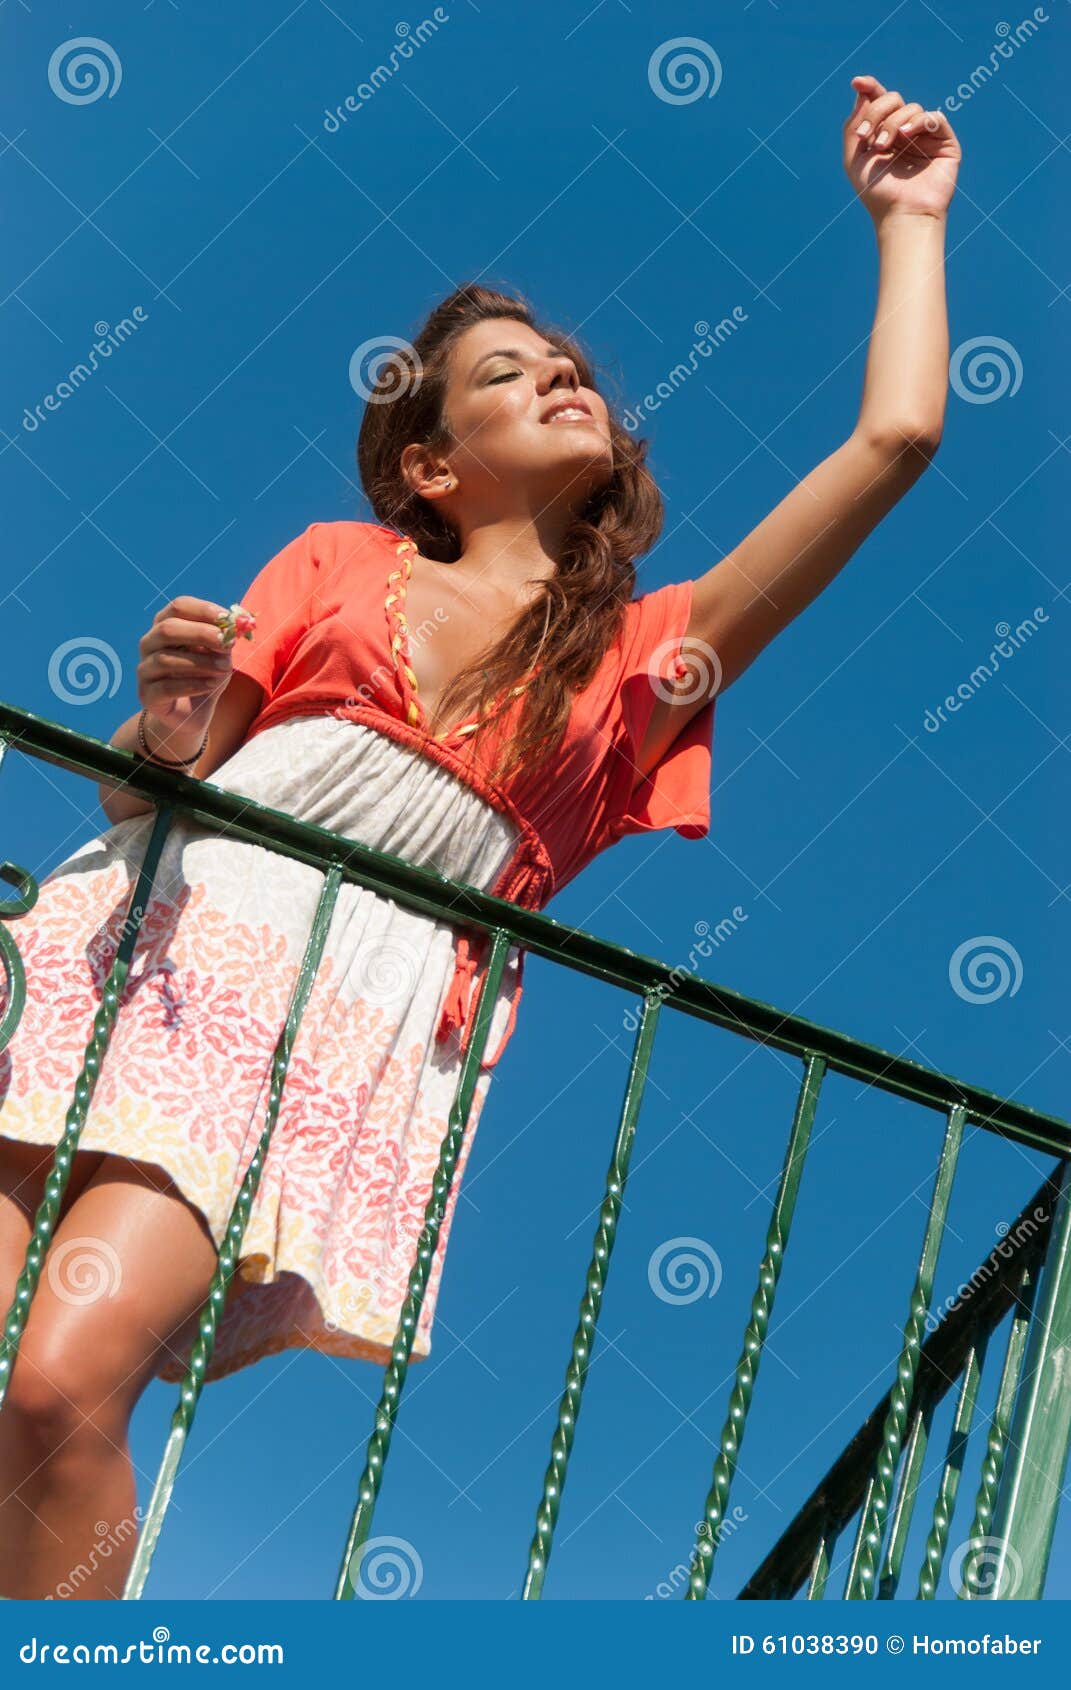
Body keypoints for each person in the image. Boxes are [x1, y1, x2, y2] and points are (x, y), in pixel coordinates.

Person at [0, 75, 959, 1598]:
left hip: (315, 1016)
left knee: (57, 1390)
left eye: (569, 364)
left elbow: (895, 440)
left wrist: (912, 220)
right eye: (508, 374)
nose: (563, 376)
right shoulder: (335, 560)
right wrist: (170, 717)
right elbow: (150, 782)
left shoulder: (647, 662)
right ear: (433, 464)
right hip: (135, 943)